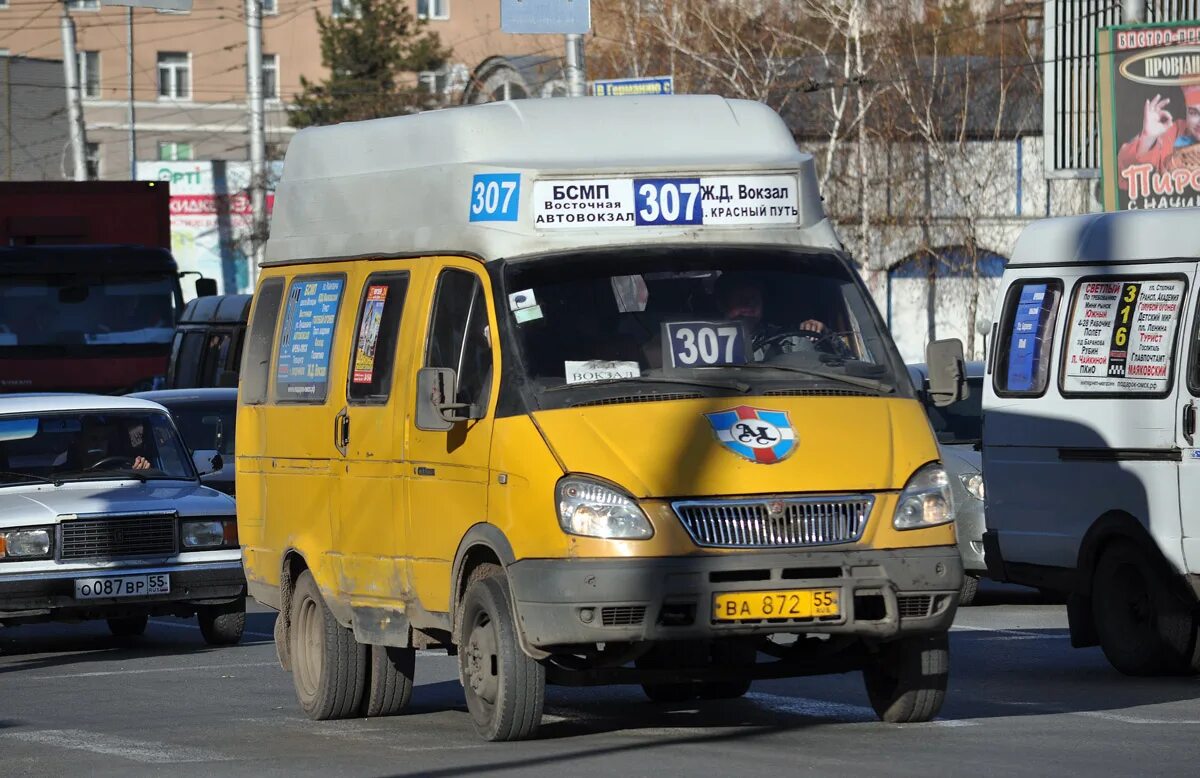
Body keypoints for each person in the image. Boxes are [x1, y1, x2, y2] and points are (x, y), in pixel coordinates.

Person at [714, 273, 847, 361]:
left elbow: (847, 364)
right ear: (723, 305)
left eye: (754, 300)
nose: (749, 307)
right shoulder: (701, 344)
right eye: (741, 300)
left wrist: (825, 335)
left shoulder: (788, 341)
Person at [1117, 85, 1200, 186]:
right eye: (1193, 113)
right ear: (1186, 112)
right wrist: (1147, 138)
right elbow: (1126, 177)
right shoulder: (1173, 133)